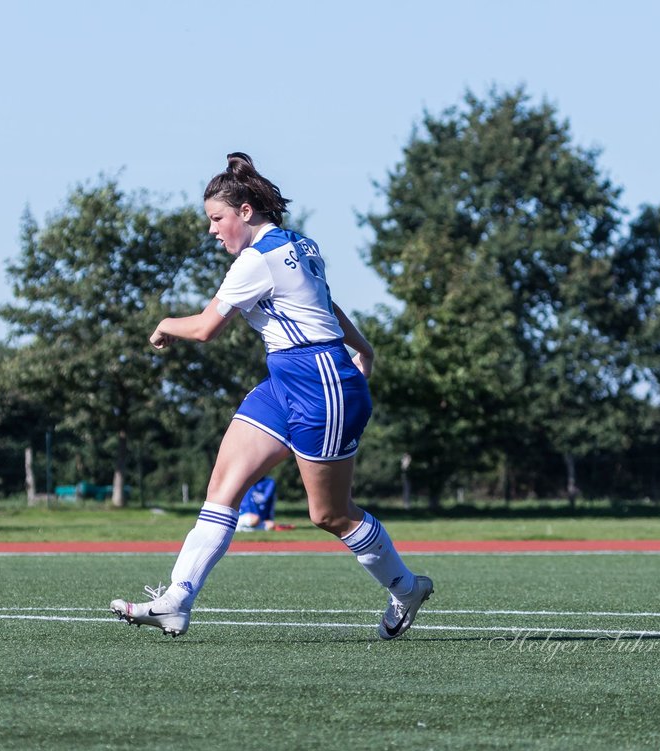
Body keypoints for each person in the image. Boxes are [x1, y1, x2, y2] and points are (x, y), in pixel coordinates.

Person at [111, 153, 433, 639]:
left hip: (321, 383)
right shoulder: (299, 243)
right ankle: (177, 599)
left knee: (329, 514)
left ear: (244, 211)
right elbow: (325, 302)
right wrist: (364, 348)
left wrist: (162, 327)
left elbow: (204, 329)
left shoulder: (255, 260)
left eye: (217, 219)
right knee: (222, 490)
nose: (212, 231)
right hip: (287, 380)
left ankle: (406, 587)